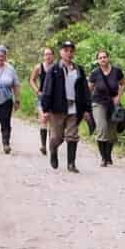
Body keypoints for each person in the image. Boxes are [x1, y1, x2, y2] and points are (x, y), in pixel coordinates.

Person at [39, 39, 91, 172]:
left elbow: (85, 90)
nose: (69, 53)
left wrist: (86, 109)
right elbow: (47, 90)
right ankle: (53, 148)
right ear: (60, 52)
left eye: (71, 51)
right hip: (57, 108)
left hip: (74, 107)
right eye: (66, 51)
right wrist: (45, 110)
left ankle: (71, 164)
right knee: (57, 137)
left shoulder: (79, 69)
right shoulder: (54, 70)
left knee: (72, 135)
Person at [87, 49, 125, 167]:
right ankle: (103, 158)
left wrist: (118, 97)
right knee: (102, 128)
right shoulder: (95, 73)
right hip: (98, 103)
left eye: (104, 57)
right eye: (100, 58)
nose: (103, 59)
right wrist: (87, 105)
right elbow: (89, 89)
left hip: (113, 104)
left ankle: (108, 156)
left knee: (112, 132)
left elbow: (123, 84)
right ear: (97, 60)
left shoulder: (117, 71)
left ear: (108, 58)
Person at [29, 47, 54, 154]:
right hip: (42, 97)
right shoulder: (39, 67)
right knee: (44, 119)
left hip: (54, 98)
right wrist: (37, 91)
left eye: (50, 54)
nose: (48, 56)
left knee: (52, 122)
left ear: (53, 55)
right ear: (43, 56)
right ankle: (43, 145)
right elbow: (32, 80)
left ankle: (52, 145)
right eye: (46, 54)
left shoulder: (57, 67)